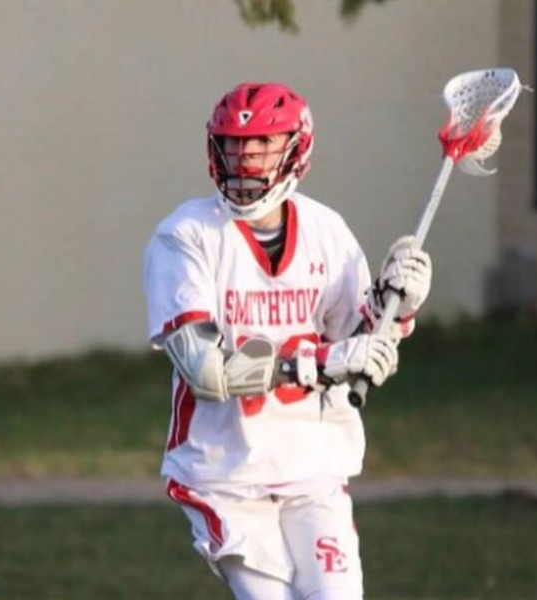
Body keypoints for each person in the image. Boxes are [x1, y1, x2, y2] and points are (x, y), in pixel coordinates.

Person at [144, 82, 432, 600]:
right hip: (225, 474)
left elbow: (359, 349)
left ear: (297, 148)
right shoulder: (185, 235)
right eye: (235, 144)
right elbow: (206, 372)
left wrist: (397, 307)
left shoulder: (326, 230)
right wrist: (317, 363)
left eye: (262, 143)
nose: (246, 158)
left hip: (312, 464)